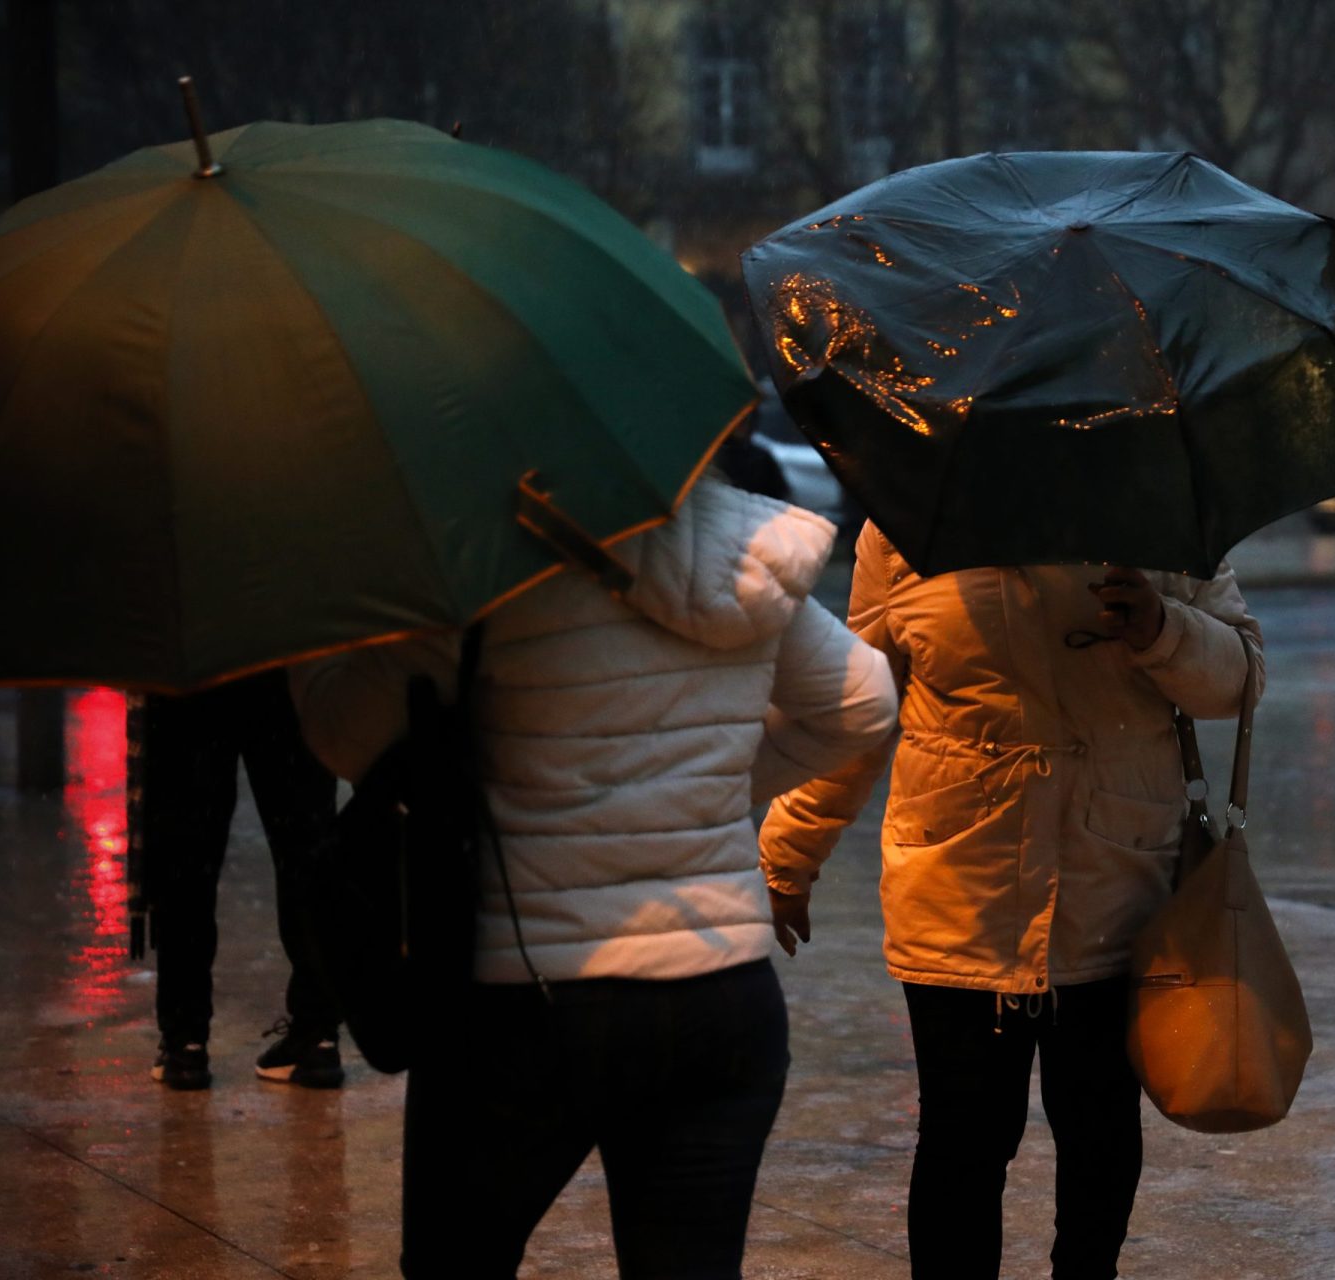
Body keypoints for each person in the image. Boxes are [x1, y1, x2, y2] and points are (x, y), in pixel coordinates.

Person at [289, 478, 899, 1279]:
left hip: (525, 1003)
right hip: (722, 996)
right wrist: (696, 791)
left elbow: (346, 738)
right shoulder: (737, 551)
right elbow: (862, 701)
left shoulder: (469, 557)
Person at [759, 522, 1262, 1280]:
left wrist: (1164, 628)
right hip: (959, 883)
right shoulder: (906, 521)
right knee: (963, 1136)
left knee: (1097, 1129)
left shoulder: (1154, 508)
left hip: (1115, 880)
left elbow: (1243, 678)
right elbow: (856, 709)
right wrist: (788, 853)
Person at [140, 670, 345, 1090]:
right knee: (306, 848)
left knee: (187, 854)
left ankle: (184, 1043)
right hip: (283, 656)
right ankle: (317, 1034)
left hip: (193, 672)